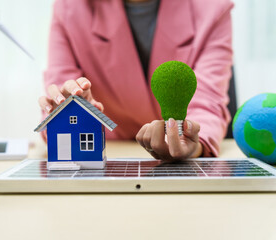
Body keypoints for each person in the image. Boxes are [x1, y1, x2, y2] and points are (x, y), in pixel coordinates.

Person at [38, 0, 233, 161]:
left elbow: (208, 102)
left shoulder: (213, 8)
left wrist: (191, 143)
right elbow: (60, 90)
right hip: (111, 152)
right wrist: (74, 114)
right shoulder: (69, 8)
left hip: (181, 158)